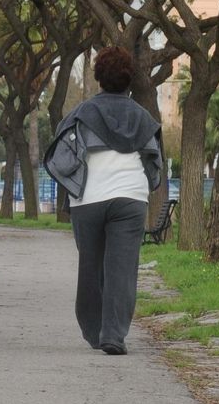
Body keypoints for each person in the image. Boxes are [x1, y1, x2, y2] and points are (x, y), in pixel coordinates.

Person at [43, 46, 164, 356]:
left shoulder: (82, 113)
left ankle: (94, 331)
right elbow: (154, 161)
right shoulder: (143, 116)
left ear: (99, 77)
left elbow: (60, 154)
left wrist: (71, 185)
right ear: (129, 80)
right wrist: (146, 186)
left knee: (91, 266)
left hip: (88, 198)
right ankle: (114, 335)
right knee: (122, 269)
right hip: (130, 198)